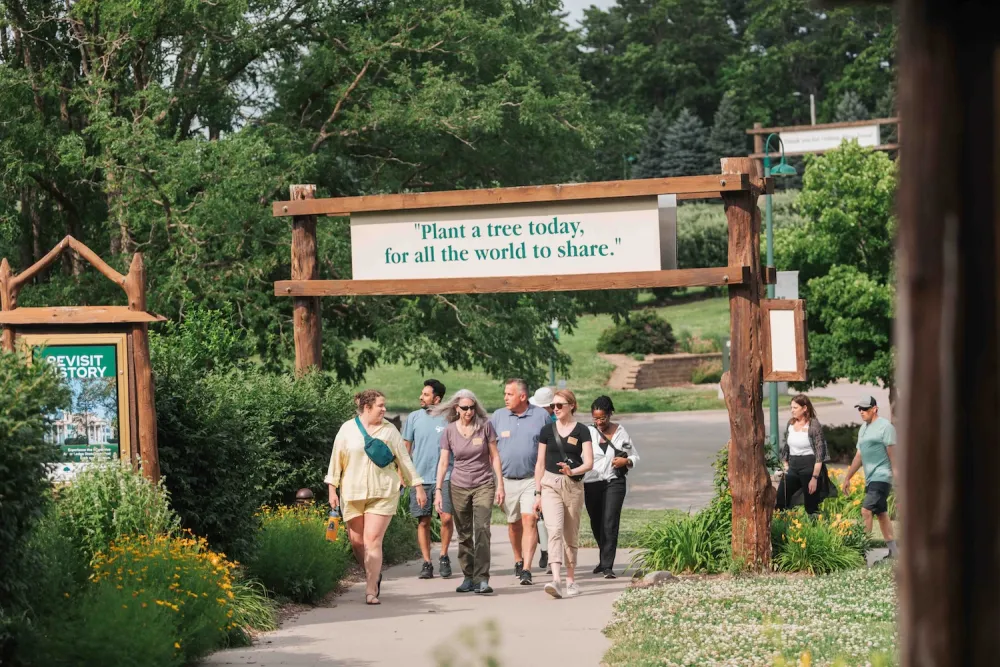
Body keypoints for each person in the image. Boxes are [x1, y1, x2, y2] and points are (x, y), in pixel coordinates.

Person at [326, 390, 425, 605]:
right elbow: (336, 460)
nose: (384, 409)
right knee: (357, 542)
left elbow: (404, 459)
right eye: (380, 406)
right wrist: (332, 489)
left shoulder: (390, 431)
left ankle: (371, 590)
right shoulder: (347, 430)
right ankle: (373, 572)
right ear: (367, 408)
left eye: (384, 405)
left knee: (372, 540)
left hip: (383, 491)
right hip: (352, 492)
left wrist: (417, 485)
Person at [433, 390, 504, 595]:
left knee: (481, 529)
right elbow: (444, 462)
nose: (468, 412)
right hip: (458, 485)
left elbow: (495, 457)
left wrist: (500, 484)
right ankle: (468, 576)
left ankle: (482, 578)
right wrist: (438, 490)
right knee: (464, 533)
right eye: (464, 408)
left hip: (483, 483)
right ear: (456, 408)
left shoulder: (485, 426)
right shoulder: (449, 431)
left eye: (472, 408)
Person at [533, 389, 593, 599]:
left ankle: (570, 579)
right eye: (553, 406)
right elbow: (540, 463)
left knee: (570, 534)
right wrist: (537, 493)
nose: (555, 409)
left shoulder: (583, 431)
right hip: (549, 484)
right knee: (554, 529)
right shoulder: (546, 431)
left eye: (560, 405)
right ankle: (556, 580)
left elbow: (589, 463)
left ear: (572, 406)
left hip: (573, 486)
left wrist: (572, 471)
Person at [490, 378, 551, 585]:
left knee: (529, 520)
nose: (505, 397)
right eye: (505, 394)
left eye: (510, 394)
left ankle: (527, 568)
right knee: (513, 524)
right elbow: (491, 450)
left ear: (522, 396)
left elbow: (549, 446)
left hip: (531, 480)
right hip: (506, 480)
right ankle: (518, 559)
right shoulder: (498, 416)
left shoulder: (541, 416)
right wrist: (497, 483)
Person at [403, 379, 454, 580]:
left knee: (446, 518)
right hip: (420, 479)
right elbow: (405, 448)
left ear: (437, 398)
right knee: (423, 521)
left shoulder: (449, 418)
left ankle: (443, 556)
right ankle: (426, 562)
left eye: (425, 394)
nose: (421, 397)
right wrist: (402, 474)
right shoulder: (414, 417)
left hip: (446, 477)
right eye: (422, 393)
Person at [584, 396, 639, 579]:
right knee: (596, 522)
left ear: (609, 414)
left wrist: (626, 460)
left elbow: (634, 456)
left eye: (603, 418)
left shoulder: (621, 432)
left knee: (610, 522)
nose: (599, 422)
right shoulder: (588, 432)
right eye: (596, 418)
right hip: (592, 482)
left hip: (614, 481)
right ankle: (603, 557)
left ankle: (608, 565)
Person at [842, 395, 899, 557]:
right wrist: (848, 478)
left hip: (882, 477)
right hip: (871, 478)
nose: (861, 412)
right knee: (881, 513)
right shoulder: (863, 429)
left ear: (875, 409)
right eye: (859, 409)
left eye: (865, 409)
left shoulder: (886, 427)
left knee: (866, 510)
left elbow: (893, 456)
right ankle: (894, 552)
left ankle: (862, 551)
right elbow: (859, 456)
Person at [775, 394, 834, 517]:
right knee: (781, 499)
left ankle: (816, 530)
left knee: (811, 507)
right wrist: (785, 465)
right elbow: (787, 446)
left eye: (795, 408)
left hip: (809, 467)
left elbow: (820, 453)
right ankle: (782, 528)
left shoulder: (813, 425)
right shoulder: (790, 424)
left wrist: (814, 478)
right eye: (791, 407)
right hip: (793, 466)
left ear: (805, 408)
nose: (792, 410)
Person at [528, 386, 556, 573]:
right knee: (535, 516)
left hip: (550, 472)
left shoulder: (555, 420)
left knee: (549, 517)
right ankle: (545, 548)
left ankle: (549, 552)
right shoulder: (535, 418)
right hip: (533, 471)